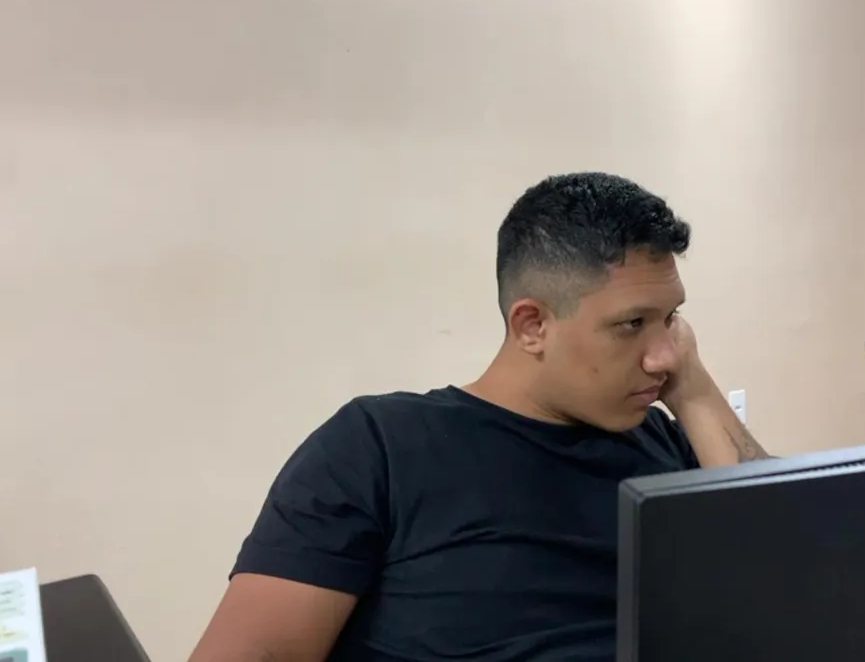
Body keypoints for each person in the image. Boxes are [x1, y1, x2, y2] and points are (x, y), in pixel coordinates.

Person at [188, 172, 770, 662]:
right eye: (632, 324)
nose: (664, 354)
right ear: (532, 326)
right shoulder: (381, 447)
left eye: (671, 318)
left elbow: (786, 586)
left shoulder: (664, 441)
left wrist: (695, 393)